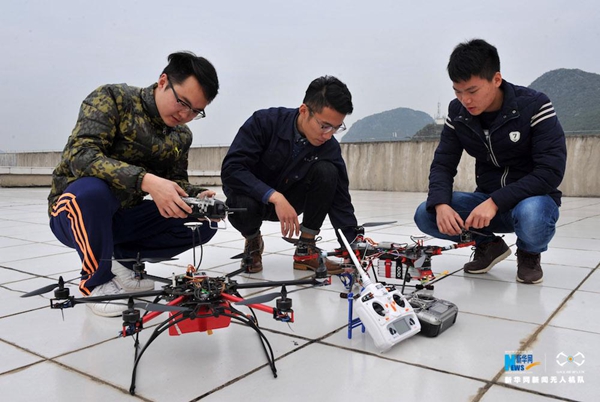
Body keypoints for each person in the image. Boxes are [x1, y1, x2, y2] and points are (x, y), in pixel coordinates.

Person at [48, 51, 220, 316]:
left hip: (124, 216)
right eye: (182, 102)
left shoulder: (181, 136)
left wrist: (199, 197)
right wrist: (145, 181)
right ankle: (96, 281)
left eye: (196, 111)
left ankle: (121, 261)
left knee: (203, 222)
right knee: (94, 192)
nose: (185, 114)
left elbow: (175, 182)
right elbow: (80, 156)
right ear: (163, 81)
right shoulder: (113, 99)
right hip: (75, 212)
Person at [414, 39, 567, 284]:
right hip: (485, 201)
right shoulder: (458, 113)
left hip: (531, 200)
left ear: (496, 79)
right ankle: (488, 245)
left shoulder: (534, 105)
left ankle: (529, 253)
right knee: (426, 214)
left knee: (533, 214)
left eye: (472, 91)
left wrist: (496, 201)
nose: (465, 100)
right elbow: (443, 164)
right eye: (457, 91)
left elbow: (550, 171)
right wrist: (441, 204)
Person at [221, 75, 361, 274]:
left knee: (328, 171)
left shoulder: (329, 147)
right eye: (324, 126)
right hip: (254, 201)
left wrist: (352, 246)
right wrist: (273, 196)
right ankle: (252, 241)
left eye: (336, 128)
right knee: (240, 204)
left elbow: (340, 199)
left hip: (294, 203)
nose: (328, 135)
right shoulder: (264, 122)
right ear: (304, 111)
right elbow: (232, 169)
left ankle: (306, 249)